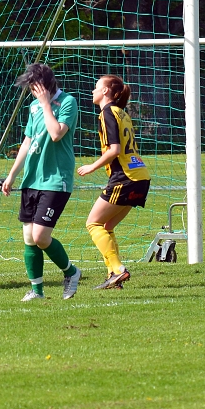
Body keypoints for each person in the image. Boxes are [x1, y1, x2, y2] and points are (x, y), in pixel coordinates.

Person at [1, 63, 82, 301]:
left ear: (44, 86)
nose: (31, 92)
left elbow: (56, 134)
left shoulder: (67, 102)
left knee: (40, 237)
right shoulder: (34, 106)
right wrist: (13, 174)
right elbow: (28, 141)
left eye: (34, 87)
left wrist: (47, 104)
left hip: (56, 180)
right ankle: (37, 291)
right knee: (28, 237)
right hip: (32, 179)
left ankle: (72, 273)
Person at [76, 74, 151, 289]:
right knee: (107, 226)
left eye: (96, 87)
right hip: (140, 177)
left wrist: (91, 166)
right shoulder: (122, 113)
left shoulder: (107, 113)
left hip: (126, 178)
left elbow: (115, 150)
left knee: (93, 223)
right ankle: (113, 275)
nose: (93, 90)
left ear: (106, 91)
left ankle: (118, 270)